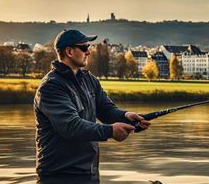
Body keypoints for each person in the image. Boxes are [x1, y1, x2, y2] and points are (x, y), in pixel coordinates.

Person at [33, 29, 150, 176]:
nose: (88, 51)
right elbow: (71, 127)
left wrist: (127, 116)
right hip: (58, 176)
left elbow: (106, 110)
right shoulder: (51, 86)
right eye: (84, 47)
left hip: (89, 172)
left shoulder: (89, 80)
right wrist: (111, 131)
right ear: (69, 51)